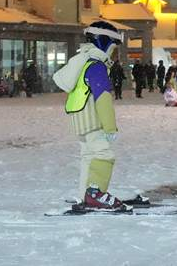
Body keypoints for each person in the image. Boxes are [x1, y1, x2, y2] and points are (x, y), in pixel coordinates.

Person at [52, 21, 125, 211]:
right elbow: (103, 99)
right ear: (105, 42)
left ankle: (85, 193)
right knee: (104, 155)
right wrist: (110, 127)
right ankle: (96, 193)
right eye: (113, 48)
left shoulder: (82, 62)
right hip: (93, 121)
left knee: (88, 156)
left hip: (79, 120)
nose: (113, 53)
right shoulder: (97, 66)